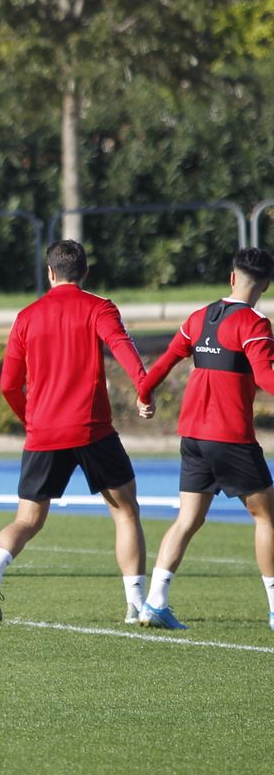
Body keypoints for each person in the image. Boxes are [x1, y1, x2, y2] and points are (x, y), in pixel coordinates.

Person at [0, 239, 151, 623]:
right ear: (84, 272)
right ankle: (136, 604)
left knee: (27, 520)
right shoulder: (99, 307)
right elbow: (123, 350)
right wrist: (144, 389)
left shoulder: (27, 316)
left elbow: (8, 383)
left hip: (43, 433)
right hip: (92, 431)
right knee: (125, 511)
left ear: (49, 272)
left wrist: (30, 419)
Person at [133, 247, 274, 632]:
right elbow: (265, 378)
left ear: (232, 278)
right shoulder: (256, 324)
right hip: (230, 437)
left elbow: (163, 362)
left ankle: (155, 603)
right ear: (264, 285)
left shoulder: (198, 318)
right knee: (266, 516)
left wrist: (145, 394)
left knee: (188, 519)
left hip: (193, 436)